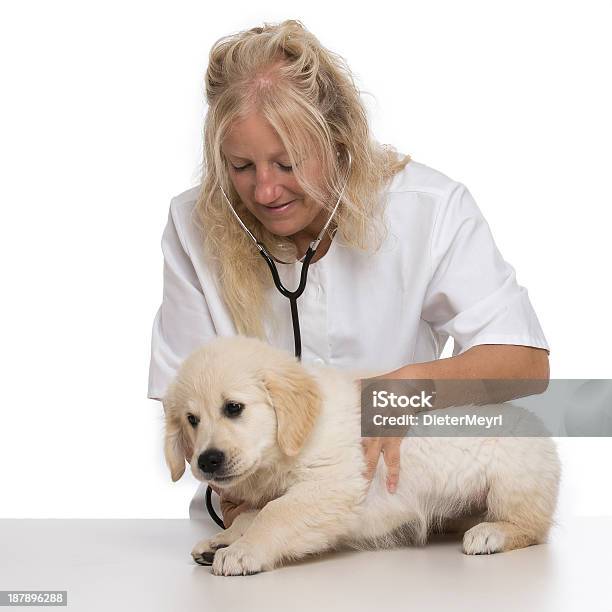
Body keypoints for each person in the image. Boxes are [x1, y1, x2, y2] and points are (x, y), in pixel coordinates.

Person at [147, 19, 550, 526]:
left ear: (339, 143)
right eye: (241, 167)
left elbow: (525, 363)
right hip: (247, 522)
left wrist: (409, 387)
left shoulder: (427, 208)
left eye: (288, 163)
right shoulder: (193, 224)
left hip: (401, 518)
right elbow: (183, 402)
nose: (265, 191)